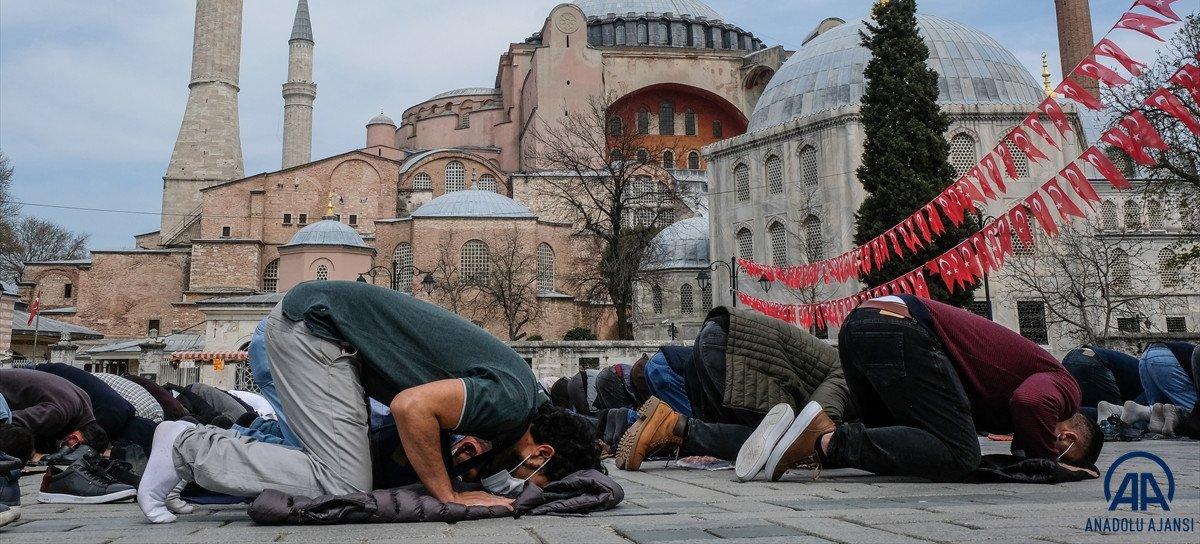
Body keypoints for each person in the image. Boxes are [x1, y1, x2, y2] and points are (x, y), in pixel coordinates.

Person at [137, 281, 602, 523]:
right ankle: (187, 447)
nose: (516, 485)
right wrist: (449, 495)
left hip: (324, 332)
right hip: (315, 332)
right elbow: (411, 408)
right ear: (541, 454)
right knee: (342, 480)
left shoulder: (514, 400)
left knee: (336, 461)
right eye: (529, 479)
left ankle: (199, 452)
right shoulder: (510, 403)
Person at [761, 295, 1102, 483]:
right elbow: (1031, 402)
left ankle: (776, 444)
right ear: (1068, 437)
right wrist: (1048, 463)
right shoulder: (1066, 387)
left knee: (895, 449)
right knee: (962, 457)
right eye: (1060, 451)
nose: (1047, 449)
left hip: (860, 325)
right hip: (901, 328)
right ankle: (822, 440)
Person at [615, 307, 853, 478]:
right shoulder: (848, 374)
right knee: (775, 443)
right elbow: (816, 423)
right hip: (735, 349)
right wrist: (823, 445)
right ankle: (673, 427)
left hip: (720, 335)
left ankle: (669, 427)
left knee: (763, 439)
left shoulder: (844, 366)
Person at [33, 364, 156, 453]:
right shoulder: (110, 420)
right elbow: (82, 441)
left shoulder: (125, 411)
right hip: (43, 378)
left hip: (48, 373)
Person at [0, 368, 108, 456]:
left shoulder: (84, 404)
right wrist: (31, 453)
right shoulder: (58, 413)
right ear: (75, 439)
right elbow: (11, 424)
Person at [1061, 345, 1145, 417]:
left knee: (1081, 411)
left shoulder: (1141, 369)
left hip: (1072, 357)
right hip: (1093, 361)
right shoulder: (1149, 385)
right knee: (1114, 415)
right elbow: (1133, 410)